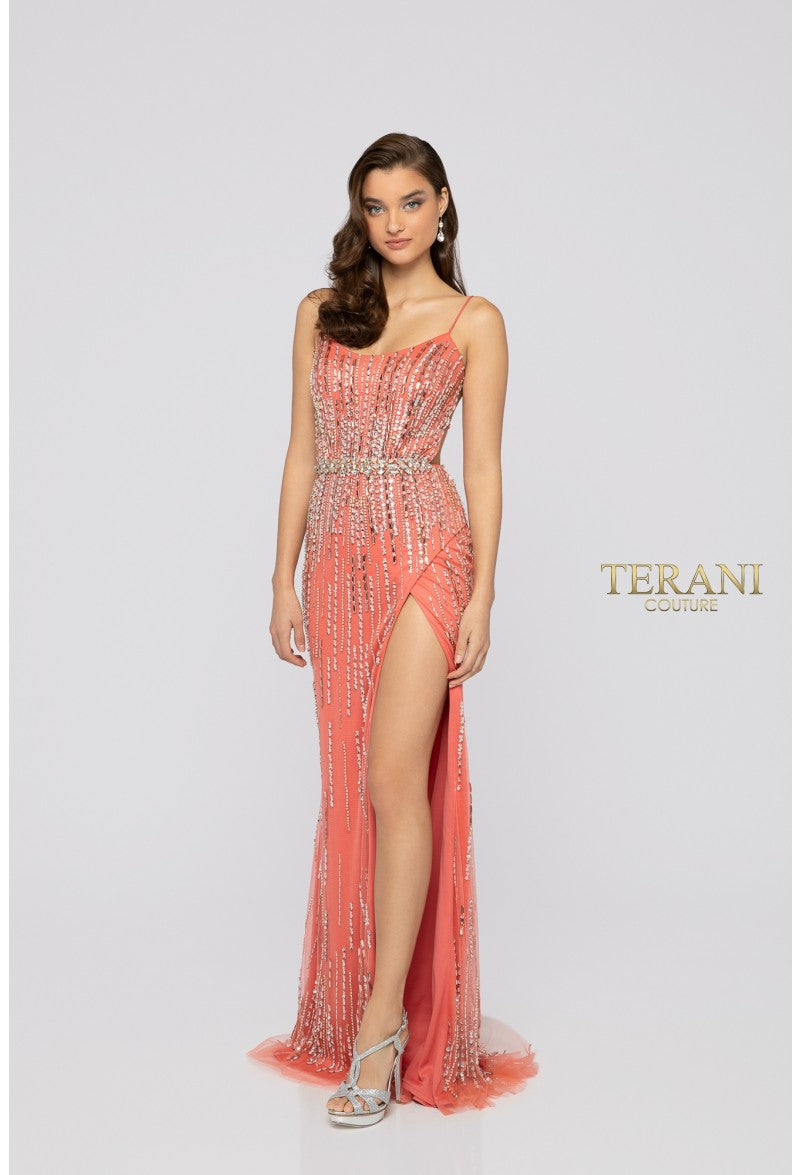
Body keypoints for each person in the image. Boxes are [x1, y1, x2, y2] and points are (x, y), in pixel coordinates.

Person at [247, 132, 539, 1125]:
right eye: (376, 206)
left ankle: (381, 1026)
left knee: (390, 778)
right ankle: (364, 1002)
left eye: (411, 202)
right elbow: (301, 451)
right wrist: (280, 577)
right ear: (359, 214)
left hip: (425, 547)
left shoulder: (474, 320)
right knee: (351, 788)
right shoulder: (320, 312)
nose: (395, 223)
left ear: (443, 203)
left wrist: (483, 594)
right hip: (335, 556)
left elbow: (485, 465)